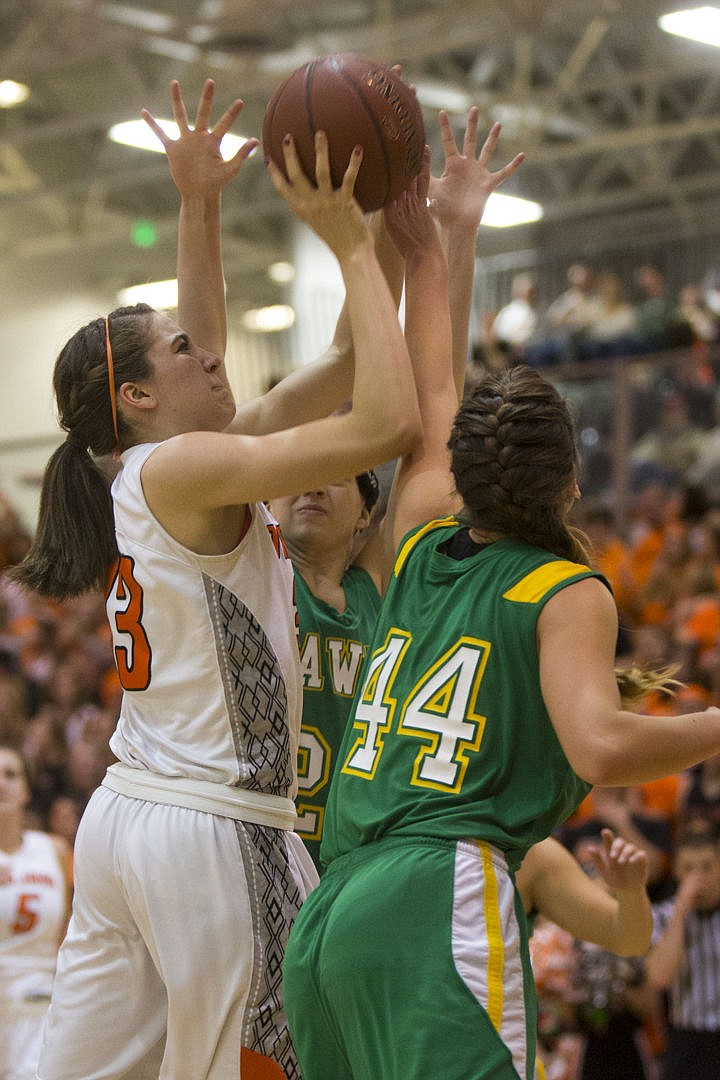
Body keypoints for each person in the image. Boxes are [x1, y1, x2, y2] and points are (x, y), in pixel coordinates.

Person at [11, 80, 421, 1080]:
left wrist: (202, 201)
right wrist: (355, 252)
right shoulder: (187, 467)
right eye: (183, 350)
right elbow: (389, 426)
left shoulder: (163, 464)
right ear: (141, 396)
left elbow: (348, 354)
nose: (210, 352)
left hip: (128, 822)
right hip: (213, 828)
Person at [282, 356, 720, 1080]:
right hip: (433, 894)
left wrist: (437, 252)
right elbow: (602, 747)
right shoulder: (554, 592)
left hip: (330, 912)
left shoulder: (421, 553)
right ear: (568, 488)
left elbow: (433, 391)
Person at [268, 111, 524, 871]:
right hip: (263, 848)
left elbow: (435, 393)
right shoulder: (258, 561)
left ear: (368, 517)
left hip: (358, 858)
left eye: (339, 478)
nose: (312, 486)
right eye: (299, 475)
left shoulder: (383, 578)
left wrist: (454, 239)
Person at [0, 743, 72, 1080]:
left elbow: (69, 934)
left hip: (41, 1005)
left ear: (27, 788)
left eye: (11, 775)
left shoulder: (53, 849)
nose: (2, 783)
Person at [644, 826, 720, 1080]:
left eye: (706, 867)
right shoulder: (664, 916)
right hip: (686, 1043)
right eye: (688, 868)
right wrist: (681, 912)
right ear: (676, 870)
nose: (698, 878)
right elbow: (658, 978)